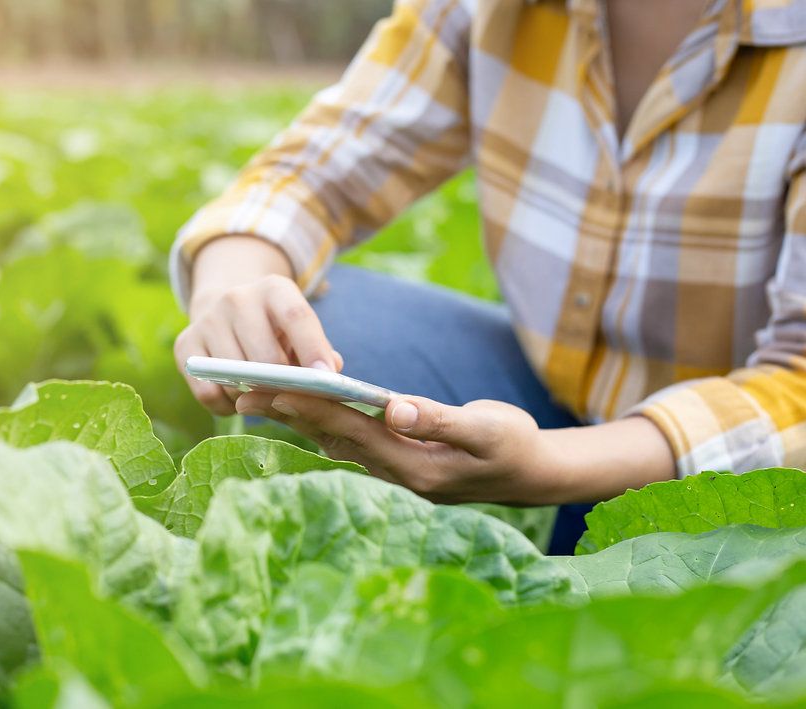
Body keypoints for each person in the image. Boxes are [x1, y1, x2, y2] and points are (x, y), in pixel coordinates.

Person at [170, 0, 806, 552]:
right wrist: (233, 283)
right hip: (548, 397)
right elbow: (317, 167)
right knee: (311, 336)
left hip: (745, 479)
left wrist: (549, 468)